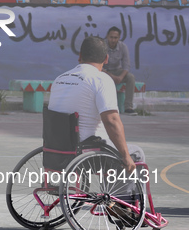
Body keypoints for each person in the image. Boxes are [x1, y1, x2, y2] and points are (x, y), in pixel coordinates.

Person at [48, 36, 143, 174]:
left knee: (108, 144)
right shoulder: (101, 80)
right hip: (84, 153)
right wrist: (126, 156)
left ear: (80, 56)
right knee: (136, 154)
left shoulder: (59, 79)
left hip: (55, 151)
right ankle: (126, 196)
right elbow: (112, 122)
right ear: (106, 59)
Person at [103, 27, 136, 115]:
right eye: (111, 37)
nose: (113, 40)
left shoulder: (123, 47)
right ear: (107, 36)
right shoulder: (102, 46)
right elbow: (99, 65)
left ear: (119, 38)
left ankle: (128, 107)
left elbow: (126, 66)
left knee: (130, 77)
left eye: (115, 37)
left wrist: (120, 77)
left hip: (117, 71)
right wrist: (112, 76)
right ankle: (104, 107)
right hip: (104, 73)